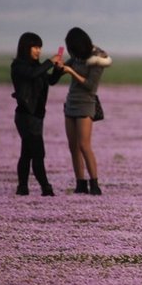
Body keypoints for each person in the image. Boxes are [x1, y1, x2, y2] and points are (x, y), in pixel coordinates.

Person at [59, 27, 112, 195]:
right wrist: (58, 66)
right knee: (73, 147)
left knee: (84, 145)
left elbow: (90, 86)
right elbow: (57, 75)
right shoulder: (76, 57)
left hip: (85, 104)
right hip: (71, 103)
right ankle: (80, 183)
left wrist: (71, 72)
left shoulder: (96, 59)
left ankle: (94, 184)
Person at [10, 32, 63, 196]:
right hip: (26, 115)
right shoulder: (19, 66)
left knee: (27, 152)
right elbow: (32, 75)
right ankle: (46, 188)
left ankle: (22, 188)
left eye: (40, 47)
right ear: (26, 48)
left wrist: (58, 70)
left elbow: (50, 81)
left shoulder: (36, 67)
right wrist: (49, 62)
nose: (38, 51)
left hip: (37, 116)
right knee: (38, 153)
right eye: (35, 47)